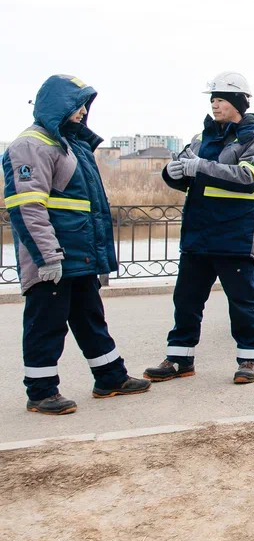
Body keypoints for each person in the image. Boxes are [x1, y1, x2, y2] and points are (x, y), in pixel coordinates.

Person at [4, 75, 150, 415]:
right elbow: (27, 207)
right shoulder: (32, 145)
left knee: (90, 317)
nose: (83, 112)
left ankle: (110, 378)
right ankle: (41, 393)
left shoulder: (68, 144)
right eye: (77, 104)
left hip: (78, 253)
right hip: (53, 256)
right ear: (59, 104)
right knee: (46, 324)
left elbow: (87, 207)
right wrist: (47, 257)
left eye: (86, 105)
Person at [146, 72, 254, 385]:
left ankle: (249, 359)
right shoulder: (200, 138)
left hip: (235, 235)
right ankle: (179, 359)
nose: (215, 106)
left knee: (242, 303)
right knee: (186, 301)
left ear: (238, 102)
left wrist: (200, 166)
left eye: (221, 100)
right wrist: (172, 172)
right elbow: (189, 179)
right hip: (198, 235)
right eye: (213, 100)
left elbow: (250, 179)